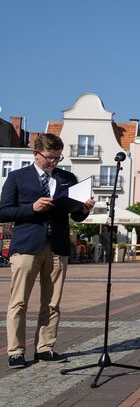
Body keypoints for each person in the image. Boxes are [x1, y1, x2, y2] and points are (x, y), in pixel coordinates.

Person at [0, 133, 95, 368]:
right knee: (19, 302)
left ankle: (45, 348)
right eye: (50, 158)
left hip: (57, 247)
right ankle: (16, 351)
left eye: (58, 158)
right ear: (36, 154)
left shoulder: (67, 178)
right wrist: (31, 208)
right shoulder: (17, 177)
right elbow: (3, 212)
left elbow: (76, 216)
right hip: (27, 247)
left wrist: (85, 208)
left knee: (52, 303)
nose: (54, 162)